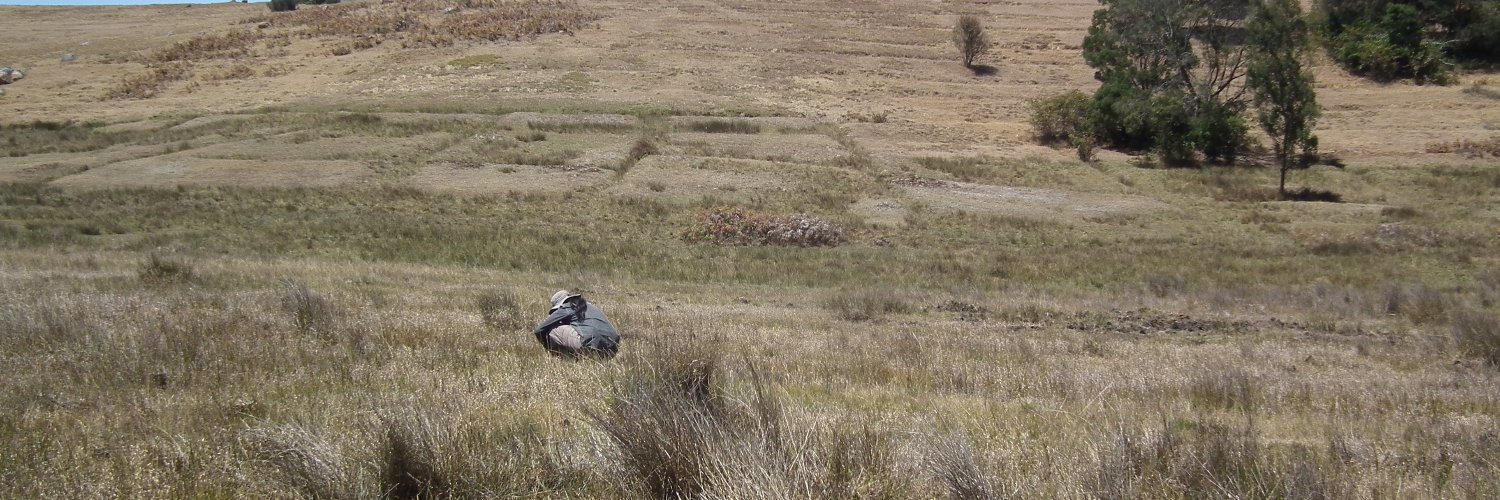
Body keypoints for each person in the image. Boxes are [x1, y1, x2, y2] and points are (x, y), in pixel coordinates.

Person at [533, 290, 619, 357]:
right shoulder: (590, 306)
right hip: (612, 349)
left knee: (551, 329)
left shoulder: (566, 307)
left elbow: (539, 330)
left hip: (589, 346)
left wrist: (546, 346)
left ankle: (564, 358)